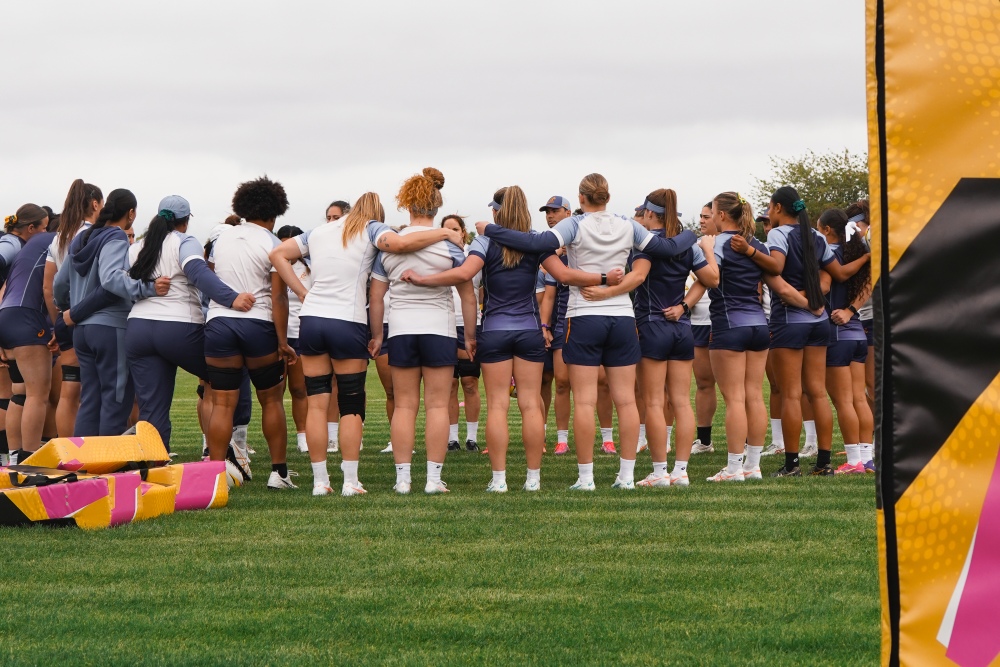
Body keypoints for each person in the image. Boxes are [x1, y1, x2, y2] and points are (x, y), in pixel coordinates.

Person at [477, 172, 701, 490]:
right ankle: (625, 477)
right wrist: (691, 234)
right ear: (608, 197)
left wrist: (492, 230)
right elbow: (665, 248)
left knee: (584, 401)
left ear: (581, 199)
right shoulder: (628, 224)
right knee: (625, 401)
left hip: (584, 316)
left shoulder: (575, 224)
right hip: (622, 316)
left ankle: (586, 478)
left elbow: (537, 243)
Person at [271, 188, 466, 496]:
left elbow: (277, 254)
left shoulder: (319, 230)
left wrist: (302, 293)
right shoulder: (373, 228)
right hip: (347, 321)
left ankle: (320, 482)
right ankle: (350, 481)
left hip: (311, 320)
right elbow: (400, 244)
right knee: (350, 403)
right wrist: (445, 231)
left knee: (318, 404)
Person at [581, 189, 718, 487]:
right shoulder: (686, 244)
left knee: (654, 403)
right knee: (681, 401)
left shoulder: (643, 242)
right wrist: (684, 305)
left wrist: (605, 292)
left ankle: (659, 472)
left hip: (651, 325)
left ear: (649, 214)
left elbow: (638, 277)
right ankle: (681, 471)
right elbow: (710, 281)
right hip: (681, 327)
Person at [736, 185, 870, 477]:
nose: (768, 212)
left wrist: (750, 252)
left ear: (779, 208)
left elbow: (776, 266)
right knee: (818, 393)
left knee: (791, 394)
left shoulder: (778, 234)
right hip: (820, 322)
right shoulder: (817, 236)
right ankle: (823, 462)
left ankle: (792, 464)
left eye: (770, 207)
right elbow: (833, 277)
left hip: (790, 321)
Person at [369, 167, 477, 494]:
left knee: (404, 406)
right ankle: (433, 479)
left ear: (408, 206)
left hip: (400, 329)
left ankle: (403, 479)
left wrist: (376, 335)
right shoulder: (451, 246)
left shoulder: (388, 246)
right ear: (436, 207)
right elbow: (467, 295)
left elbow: (376, 297)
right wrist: (470, 336)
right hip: (440, 330)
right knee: (437, 406)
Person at [125, 196, 255, 451]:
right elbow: (198, 273)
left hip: (138, 328)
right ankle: (220, 451)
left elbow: (121, 283)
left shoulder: (136, 247)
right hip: (179, 327)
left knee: (152, 407)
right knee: (225, 380)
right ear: (185, 221)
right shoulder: (184, 241)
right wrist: (232, 299)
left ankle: (154, 463)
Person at [204, 176, 295, 489]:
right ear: (273, 213)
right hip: (258, 323)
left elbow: (212, 279)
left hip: (219, 322)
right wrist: (283, 342)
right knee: (271, 401)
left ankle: (215, 477)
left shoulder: (222, 239)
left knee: (222, 403)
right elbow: (279, 296)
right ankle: (279, 473)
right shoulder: (272, 242)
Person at [54, 189, 168, 436]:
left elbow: (59, 284)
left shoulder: (82, 238)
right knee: (115, 402)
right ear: (131, 213)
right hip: (110, 329)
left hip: (81, 331)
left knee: (90, 401)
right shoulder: (116, 237)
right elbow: (111, 280)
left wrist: (69, 308)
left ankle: (85, 465)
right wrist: (147, 288)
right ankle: (108, 468)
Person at [816, 208, 875, 474]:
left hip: (836, 334)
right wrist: (852, 310)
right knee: (859, 399)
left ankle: (853, 461)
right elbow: (868, 285)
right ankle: (867, 456)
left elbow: (825, 286)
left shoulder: (828, 256)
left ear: (827, 230)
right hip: (857, 333)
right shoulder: (855, 255)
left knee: (844, 402)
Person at [45, 180, 103, 438]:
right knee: (94, 392)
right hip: (89, 315)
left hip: (64, 315)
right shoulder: (93, 234)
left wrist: (58, 320)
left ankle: (68, 451)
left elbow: (49, 286)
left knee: (70, 391)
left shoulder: (58, 238)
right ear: (94, 204)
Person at [0, 205, 52, 462]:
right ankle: (31, 461)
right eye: (43, 227)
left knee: (19, 392)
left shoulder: (23, 251)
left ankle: (13, 457)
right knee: (38, 395)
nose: (45, 231)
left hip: (7, 315)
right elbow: (48, 287)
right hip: (25, 317)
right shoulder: (14, 244)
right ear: (31, 228)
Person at [537, 195, 574, 455]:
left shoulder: (581, 247)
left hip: (584, 323)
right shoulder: (550, 251)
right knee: (549, 381)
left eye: (555, 211)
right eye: (547, 212)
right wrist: (544, 325)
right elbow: (549, 295)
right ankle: (548, 436)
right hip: (558, 326)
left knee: (569, 382)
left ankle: (605, 437)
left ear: (568, 213)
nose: (550, 216)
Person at [441, 214, 481, 453]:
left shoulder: (474, 257)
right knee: (449, 384)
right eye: (446, 229)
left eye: (455, 229)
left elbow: (481, 290)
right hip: (443, 325)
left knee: (470, 382)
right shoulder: (435, 255)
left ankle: (471, 438)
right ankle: (452, 438)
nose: (451, 233)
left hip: (468, 325)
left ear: (463, 232)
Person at [275, 224, 311, 454]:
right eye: (282, 241)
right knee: (275, 391)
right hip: (277, 335)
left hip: (301, 335)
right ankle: (278, 441)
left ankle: (303, 436)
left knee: (299, 389)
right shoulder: (273, 266)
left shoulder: (311, 268)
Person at [689, 201, 718, 455]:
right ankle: (705, 440)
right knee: (704, 383)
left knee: (736, 388)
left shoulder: (735, 244)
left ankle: (742, 440)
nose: (701, 220)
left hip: (724, 321)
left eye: (706, 216)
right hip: (699, 321)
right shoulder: (695, 246)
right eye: (700, 216)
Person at [845, 199, 875, 416]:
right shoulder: (858, 249)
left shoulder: (873, 242)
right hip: (860, 321)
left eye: (856, 228)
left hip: (874, 319)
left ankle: (877, 444)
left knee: (873, 384)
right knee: (857, 387)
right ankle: (869, 437)